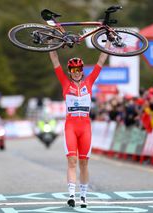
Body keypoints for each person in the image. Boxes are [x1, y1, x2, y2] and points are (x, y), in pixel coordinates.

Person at [48, 42, 110, 208]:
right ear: (70, 72)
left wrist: (108, 42)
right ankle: (71, 195)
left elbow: (101, 60)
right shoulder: (65, 83)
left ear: (82, 70)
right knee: (72, 162)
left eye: (79, 69)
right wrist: (50, 43)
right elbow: (54, 59)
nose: (77, 73)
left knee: (84, 163)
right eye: (74, 70)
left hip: (85, 127)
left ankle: (83, 196)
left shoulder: (89, 81)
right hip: (71, 126)